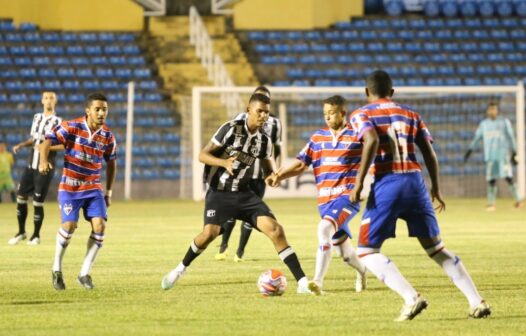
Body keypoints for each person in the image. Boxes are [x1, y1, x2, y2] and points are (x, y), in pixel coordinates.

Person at [349, 70, 491, 321]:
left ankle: (411, 298)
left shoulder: (362, 114)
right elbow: (429, 153)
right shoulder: (412, 114)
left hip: (387, 184)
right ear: (392, 92)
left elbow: (370, 140)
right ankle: (476, 301)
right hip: (416, 183)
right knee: (436, 248)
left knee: (366, 251)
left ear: (366, 92)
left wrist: (358, 184)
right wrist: (435, 187)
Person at [161, 93, 320, 295]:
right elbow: (203, 155)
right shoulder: (230, 129)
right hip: (220, 193)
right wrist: (223, 162)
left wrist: (272, 177)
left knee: (276, 230)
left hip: (245, 194)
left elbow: (267, 168)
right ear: (248, 110)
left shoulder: (264, 140)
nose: (263, 116)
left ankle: (303, 283)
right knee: (209, 234)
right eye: (259, 111)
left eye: (266, 112)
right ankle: (179, 270)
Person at [267, 95, 367, 294]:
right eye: (325, 114)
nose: (327, 117)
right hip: (325, 201)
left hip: (347, 197)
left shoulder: (358, 135)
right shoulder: (318, 138)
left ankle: (317, 283)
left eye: (331, 113)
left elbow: (374, 154)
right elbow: (302, 163)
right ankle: (363, 271)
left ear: (343, 113)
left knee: (323, 229)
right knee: (344, 254)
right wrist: (280, 175)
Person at [39, 92, 117, 291]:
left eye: (104, 110)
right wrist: (43, 160)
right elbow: (46, 141)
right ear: (88, 110)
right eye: (97, 109)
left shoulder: (107, 136)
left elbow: (112, 163)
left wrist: (108, 191)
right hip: (70, 188)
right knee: (69, 225)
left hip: (93, 189)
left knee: (100, 226)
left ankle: (84, 273)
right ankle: (56, 268)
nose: (101, 113)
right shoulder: (71, 127)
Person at [215, 85, 283, 262]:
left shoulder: (275, 123)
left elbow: (276, 148)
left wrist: (276, 171)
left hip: (259, 176)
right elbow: (232, 143)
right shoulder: (240, 119)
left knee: (251, 217)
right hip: (241, 174)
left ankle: (240, 251)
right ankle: (223, 246)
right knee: (231, 212)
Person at [8, 91, 62, 245]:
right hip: (31, 164)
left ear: (55, 101)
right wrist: (22, 145)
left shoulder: (58, 121)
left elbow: (63, 144)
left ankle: (36, 235)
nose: (48, 100)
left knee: (38, 201)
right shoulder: (37, 117)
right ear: (42, 101)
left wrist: (47, 148)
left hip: (45, 167)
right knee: (21, 196)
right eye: (46, 98)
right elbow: (34, 139)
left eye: (51, 98)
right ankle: (21, 232)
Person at [464, 102, 523, 211]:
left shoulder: (504, 122)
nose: (492, 112)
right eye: (490, 110)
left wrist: (514, 152)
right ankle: (491, 204)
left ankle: (519, 201)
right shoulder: (484, 124)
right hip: (490, 156)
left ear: (497, 111)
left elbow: (511, 137)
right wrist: (470, 150)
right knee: (491, 180)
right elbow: (477, 138)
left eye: (494, 109)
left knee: (508, 178)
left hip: (503, 156)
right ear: (487, 111)